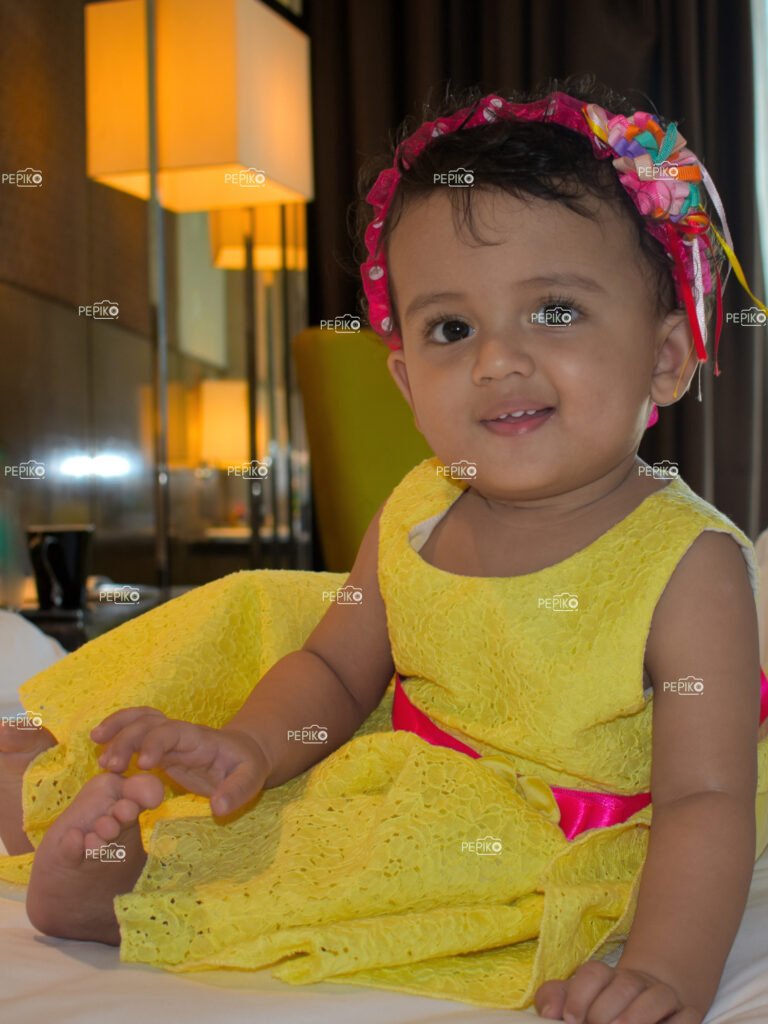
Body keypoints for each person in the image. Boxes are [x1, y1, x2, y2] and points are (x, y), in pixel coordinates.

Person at [1, 74, 768, 1023]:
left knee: (382, 856)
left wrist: (666, 971)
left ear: (665, 355)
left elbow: (705, 799)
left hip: (544, 824)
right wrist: (252, 747)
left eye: (556, 311)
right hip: (405, 754)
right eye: (452, 328)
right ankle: (85, 827)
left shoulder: (690, 565)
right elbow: (332, 670)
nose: (497, 359)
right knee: (275, 699)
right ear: (406, 377)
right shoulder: (420, 507)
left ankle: (134, 895)